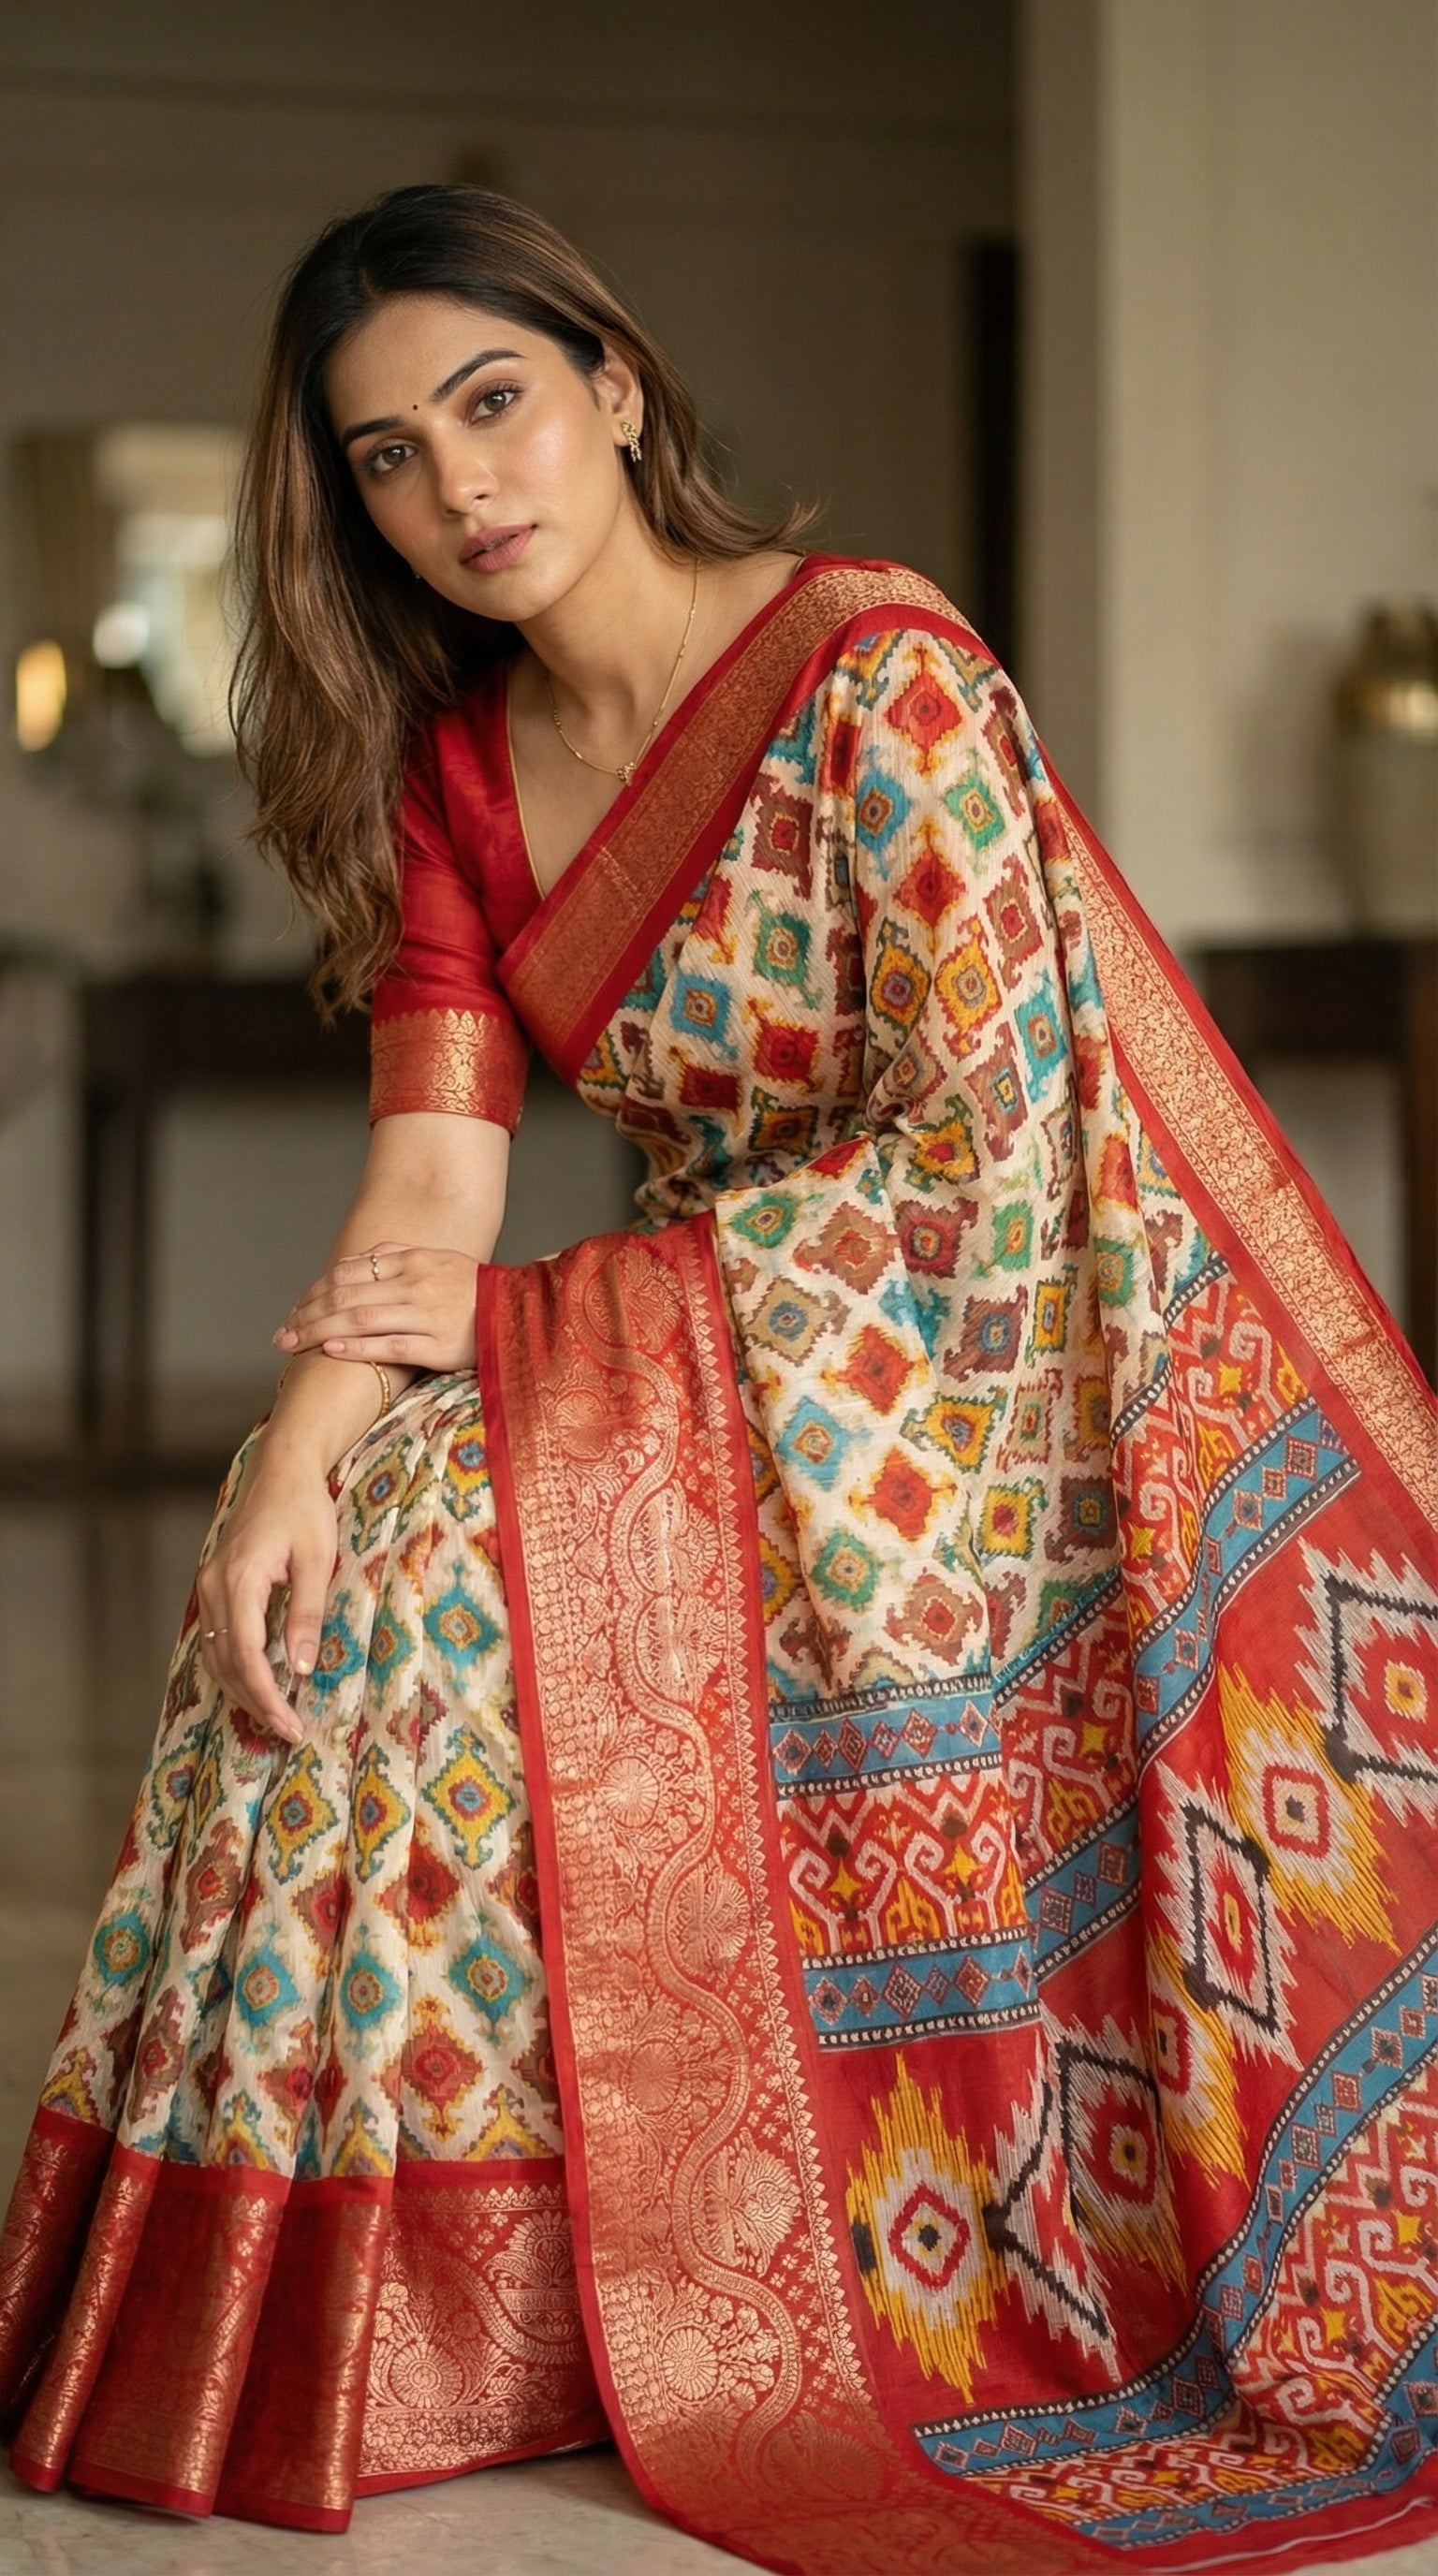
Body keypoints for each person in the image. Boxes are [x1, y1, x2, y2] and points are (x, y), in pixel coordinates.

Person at [1, 184, 1434, 2575]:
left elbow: (990, 1143)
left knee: (456, 1537)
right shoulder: (459, 774)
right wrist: (293, 1458)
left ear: (614, 386)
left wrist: (574, 1340)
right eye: (387, 456)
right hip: (723, 1359)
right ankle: (390, 2308)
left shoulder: (872, 668)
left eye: (495, 403)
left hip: (998, 1355)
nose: (462, 487)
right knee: (352, 1556)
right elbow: (432, 1182)